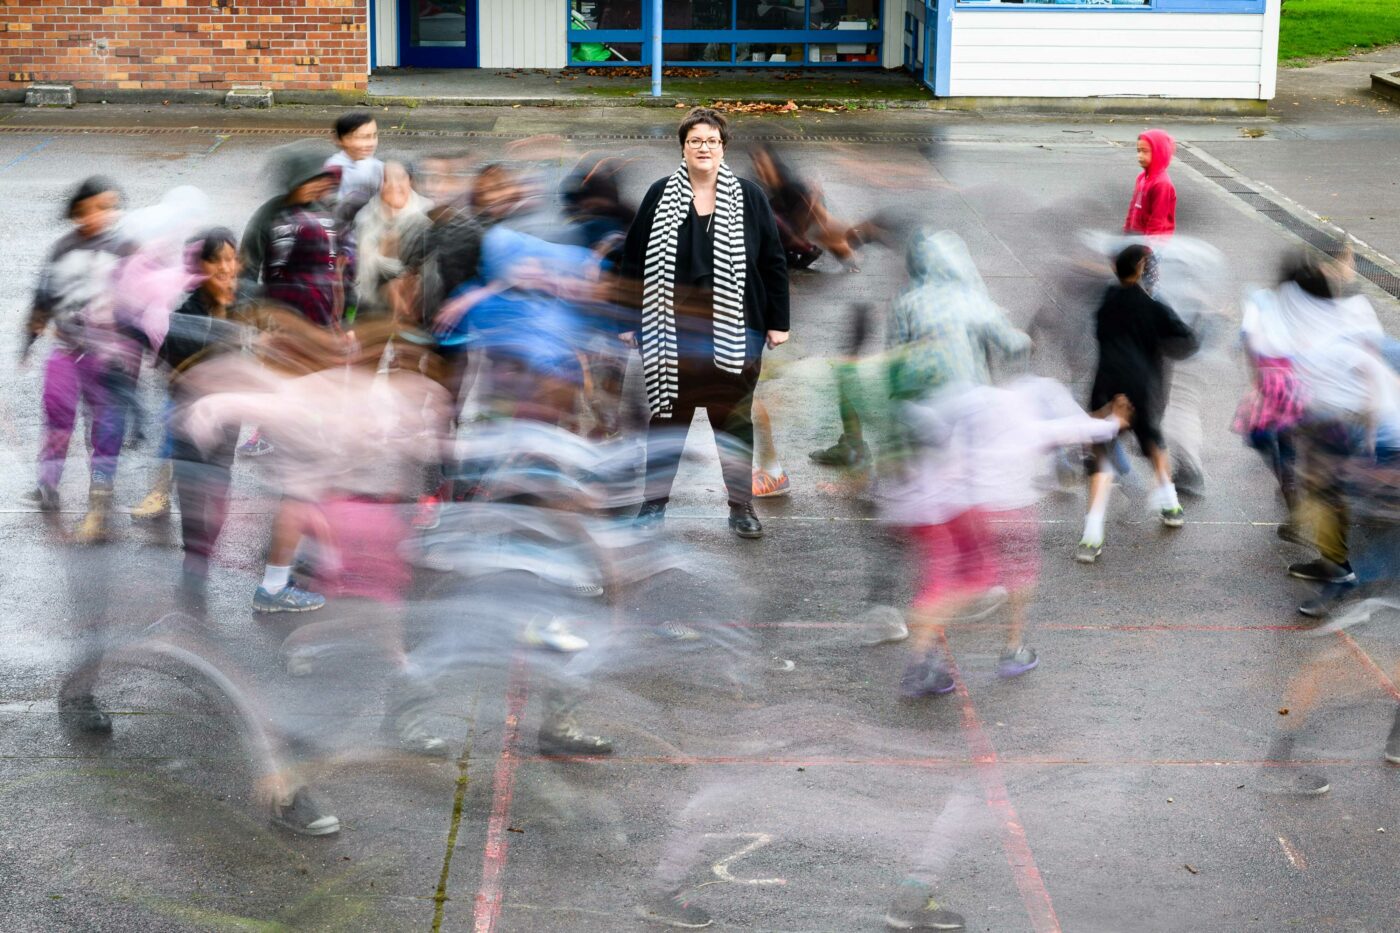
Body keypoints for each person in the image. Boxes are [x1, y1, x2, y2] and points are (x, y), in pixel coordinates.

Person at [621, 107, 790, 539]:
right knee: (667, 422)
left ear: (723, 147)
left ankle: (741, 507)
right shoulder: (660, 195)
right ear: (683, 146)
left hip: (739, 332)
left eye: (712, 140)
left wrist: (778, 322)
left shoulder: (749, 196)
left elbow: (773, 262)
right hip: (670, 336)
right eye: (696, 140)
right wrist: (626, 319)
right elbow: (633, 261)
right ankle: (653, 504)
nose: (704, 147)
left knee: (733, 423)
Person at [21, 176, 136, 543]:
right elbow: (44, 298)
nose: (104, 215)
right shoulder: (62, 249)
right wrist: (29, 340)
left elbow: (141, 301)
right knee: (56, 415)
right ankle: (47, 483)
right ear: (77, 210)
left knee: (104, 426)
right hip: (66, 351)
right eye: (96, 207)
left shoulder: (125, 249)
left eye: (111, 207)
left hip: (108, 357)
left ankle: (101, 487)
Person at [1076, 245, 1198, 563]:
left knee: (1101, 457)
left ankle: (1091, 536)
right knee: (1155, 444)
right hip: (1142, 388)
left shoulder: (1107, 301)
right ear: (1144, 268)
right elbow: (1186, 342)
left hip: (1105, 388)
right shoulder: (1154, 306)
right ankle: (1170, 503)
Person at [352, 159, 431, 322]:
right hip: (372, 304)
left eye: (400, 177)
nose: (394, 185)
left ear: (410, 180)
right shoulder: (365, 217)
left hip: (416, 306)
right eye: (385, 179)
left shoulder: (428, 213)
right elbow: (360, 271)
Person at [1124, 129, 1176, 238]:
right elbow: (1133, 208)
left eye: (1145, 151)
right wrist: (1127, 231)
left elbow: (1157, 220)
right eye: (1138, 151)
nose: (1140, 156)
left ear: (1159, 152)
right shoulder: (1141, 178)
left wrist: (1147, 247)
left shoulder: (1162, 184)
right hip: (1138, 238)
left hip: (1155, 244)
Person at [326, 111, 384, 204]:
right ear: (341, 140)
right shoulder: (334, 170)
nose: (371, 143)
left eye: (374, 135)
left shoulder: (377, 166)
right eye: (363, 137)